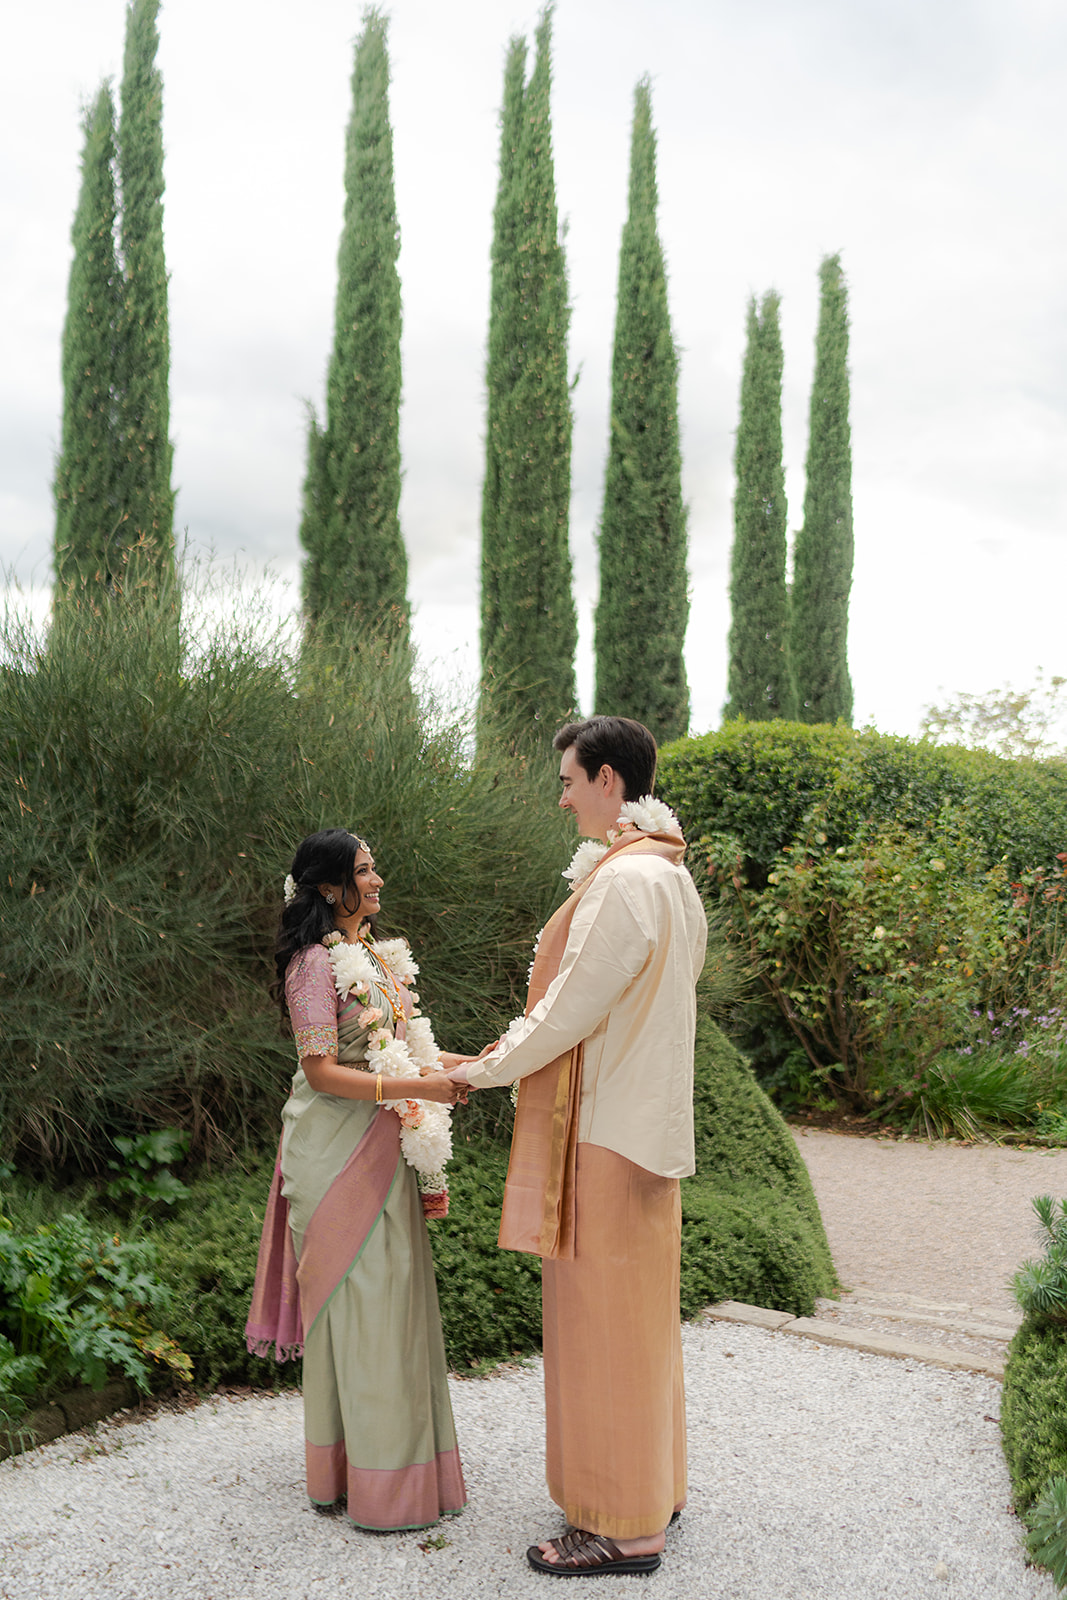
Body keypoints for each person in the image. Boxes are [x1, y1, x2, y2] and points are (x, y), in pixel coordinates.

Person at [448, 717, 707, 1577]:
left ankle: (623, 1529)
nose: (560, 796)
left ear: (605, 779)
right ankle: (652, 1487)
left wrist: (480, 1069)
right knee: (640, 1326)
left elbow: (567, 1014)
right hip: (648, 1129)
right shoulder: (672, 874)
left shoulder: (623, 883)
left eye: (567, 779)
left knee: (599, 1330)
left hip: (602, 1135)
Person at [245, 827, 473, 1532]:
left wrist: (474, 1067)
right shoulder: (314, 965)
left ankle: (404, 1474)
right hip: (334, 1155)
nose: (377, 881)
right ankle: (370, 1488)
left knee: (397, 1308)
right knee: (363, 1313)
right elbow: (320, 1072)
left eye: (375, 868)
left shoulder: (373, 954)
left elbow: (405, 1049)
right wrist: (419, 1086)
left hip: (385, 1148)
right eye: (364, 871)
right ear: (327, 886)